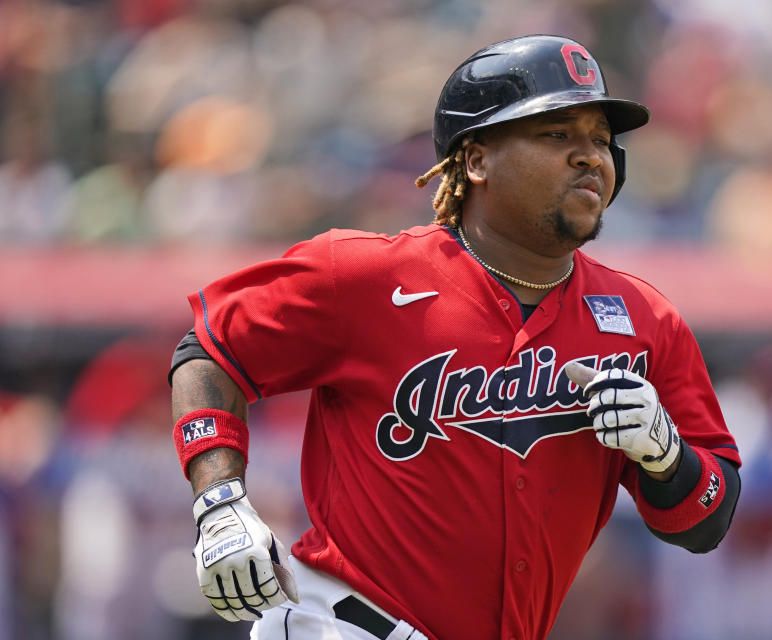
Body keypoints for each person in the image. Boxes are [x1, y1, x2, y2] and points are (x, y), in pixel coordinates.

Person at [169, 34, 741, 640]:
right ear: (475, 161)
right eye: (556, 135)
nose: (589, 157)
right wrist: (219, 501)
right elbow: (208, 351)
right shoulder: (364, 275)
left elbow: (705, 521)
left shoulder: (645, 320)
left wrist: (668, 458)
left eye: (600, 139)